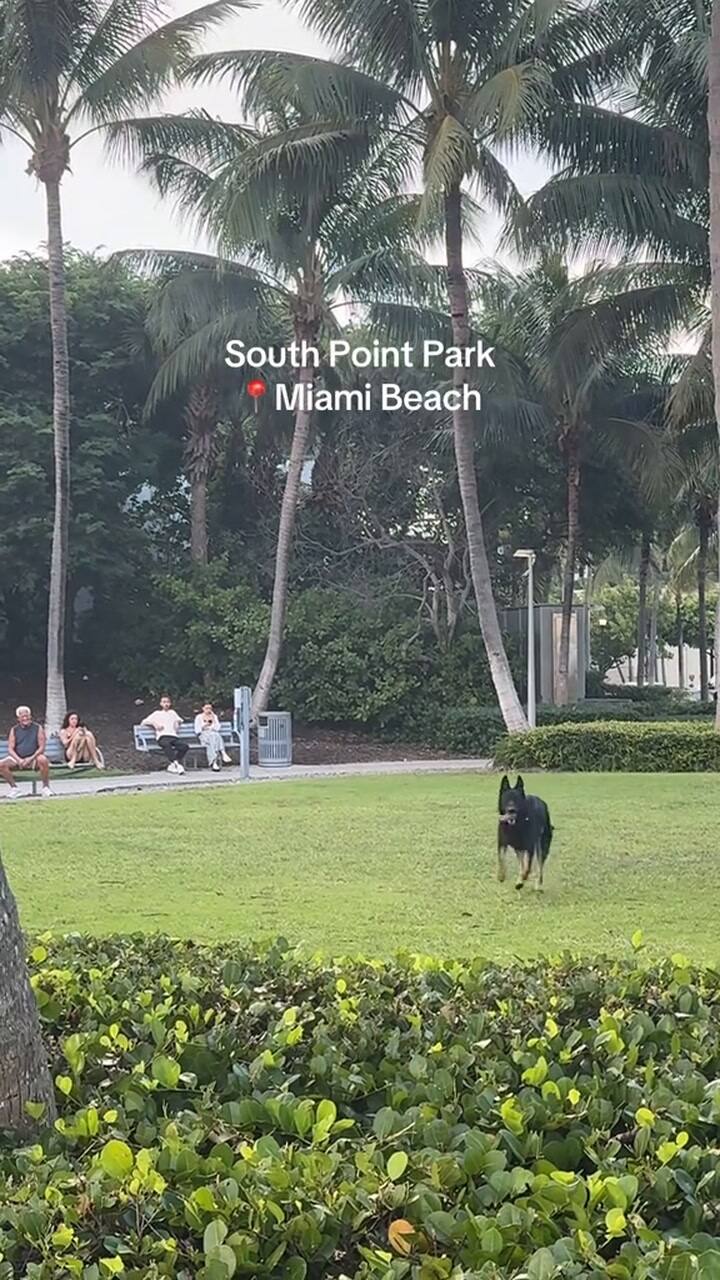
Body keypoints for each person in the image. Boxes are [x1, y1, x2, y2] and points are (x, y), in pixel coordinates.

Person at [0, 706, 53, 798]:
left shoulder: (38, 728)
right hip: (17, 758)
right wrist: (19, 760)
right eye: (22, 716)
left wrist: (30, 758)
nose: (25, 718)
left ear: (30, 716)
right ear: (18, 719)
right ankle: (14, 788)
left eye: (27, 716)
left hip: (34, 757)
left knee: (43, 760)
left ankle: (45, 787)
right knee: (1, 764)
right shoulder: (14, 729)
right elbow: (10, 749)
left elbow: (41, 747)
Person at [140, 695, 189, 774]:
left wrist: (177, 722)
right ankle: (177, 764)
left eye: (168, 702)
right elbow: (144, 722)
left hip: (173, 736)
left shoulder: (173, 713)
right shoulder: (157, 713)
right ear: (161, 704)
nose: (166, 704)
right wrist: (154, 724)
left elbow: (179, 720)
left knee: (184, 746)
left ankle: (173, 764)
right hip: (162, 736)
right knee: (166, 745)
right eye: (164, 702)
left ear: (170, 703)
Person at [193, 702, 232, 772]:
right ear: (203, 708)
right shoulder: (199, 717)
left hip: (213, 735)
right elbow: (197, 730)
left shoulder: (214, 716)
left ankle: (214, 763)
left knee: (213, 738)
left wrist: (213, 721)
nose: (208, 710)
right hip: (203, 735)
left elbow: (218, 728)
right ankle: (222, 752)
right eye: (207, 708)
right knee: (214, 736)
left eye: (210, 708)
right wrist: (204, 726)